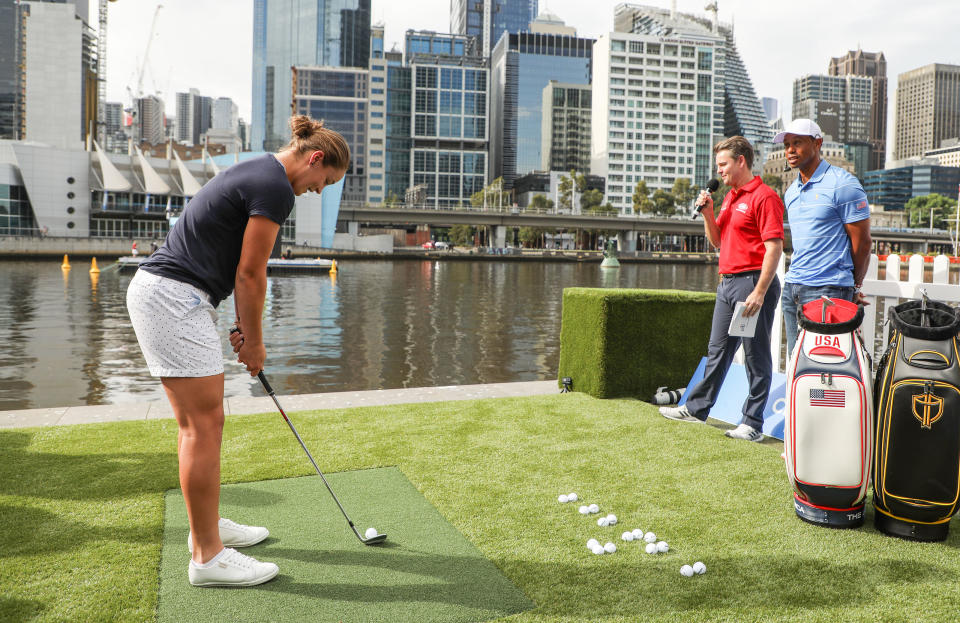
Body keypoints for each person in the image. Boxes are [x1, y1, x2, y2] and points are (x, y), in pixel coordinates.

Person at [126, 115, 349, 587]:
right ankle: (207, 557)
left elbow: (231, 266)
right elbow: (251, 274)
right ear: (314, 159)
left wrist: (245, 330)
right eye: (324, 181)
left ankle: (204, 529)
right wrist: (256, 343)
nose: (318, 191)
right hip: (171, 298)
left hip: (179, 296)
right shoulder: (276, 188)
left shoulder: (261, 173)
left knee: (207, 423)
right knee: (201, 426)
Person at [659, 136, 784, 442]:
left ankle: (752, 423)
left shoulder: (764, 197)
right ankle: (697, 408)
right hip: (728, 283)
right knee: (717, 351)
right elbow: (718, 241)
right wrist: (707, 213)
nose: (719, 171)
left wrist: (759, 292)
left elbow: (774, 248)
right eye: (718, 166)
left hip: (752, 283)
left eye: (723, 164)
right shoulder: (730, 197)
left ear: (741, 161)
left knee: (755, 355)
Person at [775, 119, 871, 356]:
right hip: (793, 288)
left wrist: (853, 286)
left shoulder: (844, 184)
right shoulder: (791, 192)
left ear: (817, 143)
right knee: (796, 362)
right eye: (787, 144)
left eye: (797, 142)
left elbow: (863, 243)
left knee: (824, 367)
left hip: (828, 289)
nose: (790, 150)